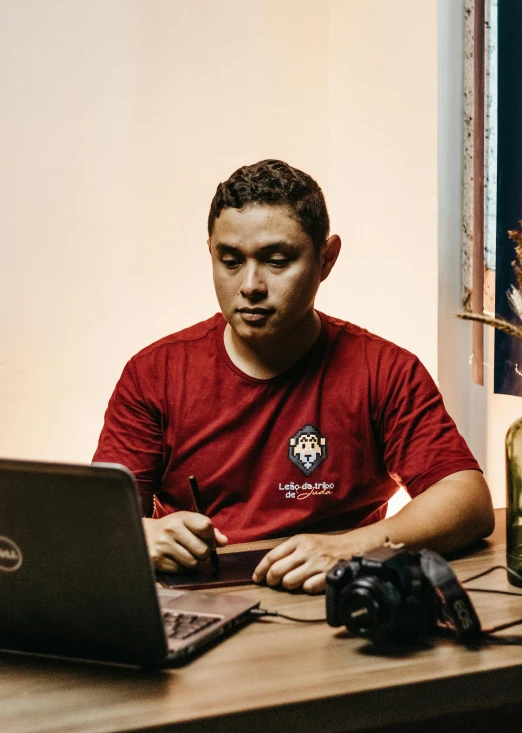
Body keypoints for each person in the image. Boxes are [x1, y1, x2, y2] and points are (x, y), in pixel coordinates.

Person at [93, 159, 494, 594]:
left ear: (326, 259)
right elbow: (97, 519)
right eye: (229, 260)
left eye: (277, 261)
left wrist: (352, 547)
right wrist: (139, 535)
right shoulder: (155, 373)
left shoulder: (385, 370)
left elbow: (468, 500)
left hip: (334, 602)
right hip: (200, 601)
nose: (250, 285)